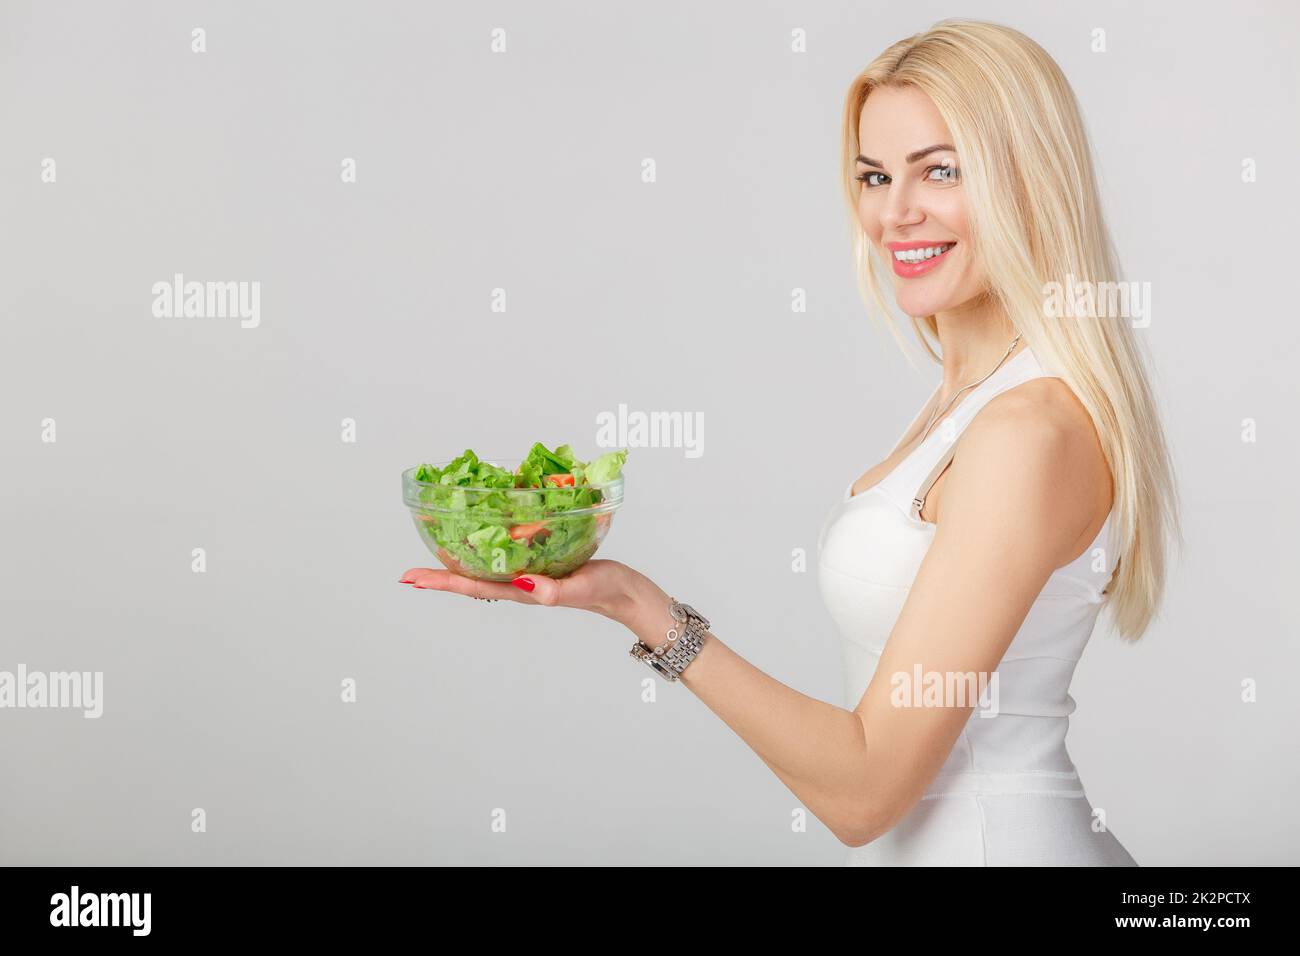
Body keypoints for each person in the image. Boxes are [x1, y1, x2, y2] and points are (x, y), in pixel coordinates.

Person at [399, 18, 1182, 866]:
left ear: (1030, 180)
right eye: (875, 175)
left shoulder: (1027, 431)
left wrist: (638, 607)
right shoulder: (968, 403)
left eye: (941, 171)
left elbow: (867, 790)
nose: (895, 212)